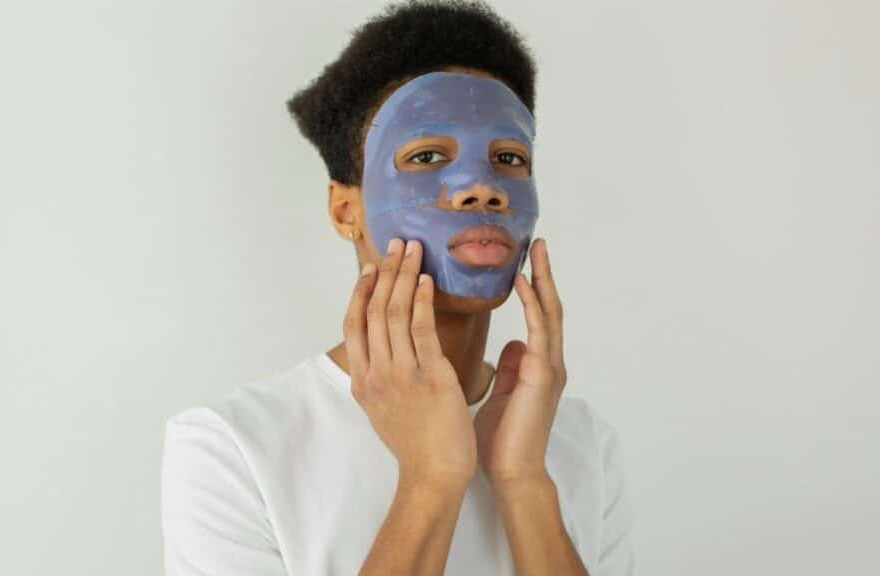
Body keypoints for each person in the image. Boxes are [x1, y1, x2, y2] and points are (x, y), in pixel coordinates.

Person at [161, 1, 634, 574]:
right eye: (427, 156)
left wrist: (524, 483)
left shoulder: (583, 446)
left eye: (508, 157)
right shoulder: (234, 449)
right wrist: (431, 479)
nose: (481, 189)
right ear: (345, 210)